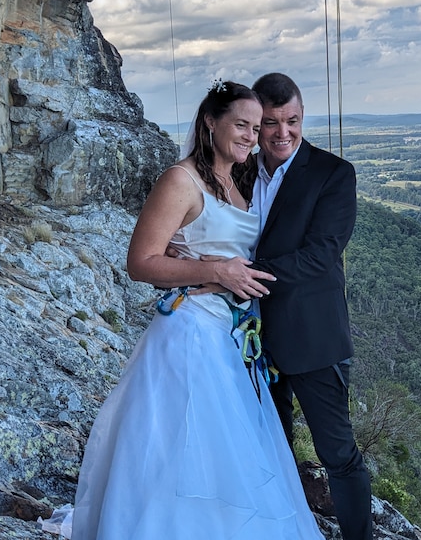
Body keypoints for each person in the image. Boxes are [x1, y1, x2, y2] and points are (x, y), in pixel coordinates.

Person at [65, 81, 325, 539]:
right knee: (184, 449)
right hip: (188, 334)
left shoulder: (237, 179)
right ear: (211, 122)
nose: (250, 135)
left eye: (256, 126)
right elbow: (140, 262)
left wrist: (223, 275)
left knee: (224, 453)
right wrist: (218, 272)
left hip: (228, 334)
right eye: (240, 125)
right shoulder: (179, 180)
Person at [249, 73, 374, 540]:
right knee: (272, 445)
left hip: (312, 337)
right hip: (249, 339)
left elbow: (322, 253)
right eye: (272, 123)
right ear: (255, 124)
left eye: (293, 121)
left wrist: (246, 274)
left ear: (303, 118)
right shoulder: (241, 170)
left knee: (337, 454)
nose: (283, 133)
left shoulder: (333, 174)